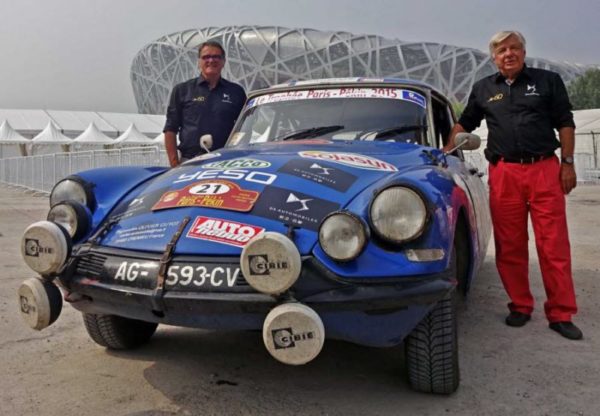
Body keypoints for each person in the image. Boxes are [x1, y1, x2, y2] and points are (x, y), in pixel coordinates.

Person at [446, 30, 582, 340]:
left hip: (545, 169)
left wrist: (568, 163)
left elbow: (566, 122)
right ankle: (520, 305)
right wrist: (442, 153)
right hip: (504, 172)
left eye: (514, 48)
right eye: (502, 50)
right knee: (510, 245)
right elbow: (464, 124)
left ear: (523, 52)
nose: (509, 54)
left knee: (554, 245)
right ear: (493, 58)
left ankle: (561, 313)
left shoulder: (547, 81)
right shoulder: (483, 89)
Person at [163, 41, 246, 167]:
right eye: (206, 57)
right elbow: (170, 129)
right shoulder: (182, 90)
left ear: (223, 61)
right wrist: (174, 164)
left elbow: (245, 128)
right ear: (199, 62)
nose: (211, 60)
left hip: (226, 162)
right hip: (190, 161)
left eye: (216, 57)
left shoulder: (236, 92)